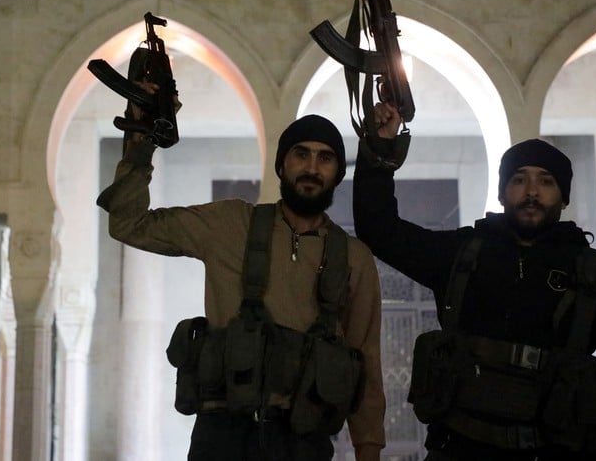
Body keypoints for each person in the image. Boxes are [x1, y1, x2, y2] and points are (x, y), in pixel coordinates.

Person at [352, 102, 596, 460]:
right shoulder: (462, 254)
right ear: (502, 191)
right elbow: (379, 229)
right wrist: (379, 150)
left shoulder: (592, 273)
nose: (532, 192)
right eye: (519, 179)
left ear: (563, 196)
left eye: (546, 181)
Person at [98, 110, 385, 461]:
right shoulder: (230, 224)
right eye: (301, 154)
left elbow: (366, 362)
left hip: (302, 441)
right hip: (222, 436)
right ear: (281, 166)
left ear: (338, 174)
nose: (311, 168)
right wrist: (143, 137)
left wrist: (368, 449)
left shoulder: (354, 259)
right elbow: (129, 223)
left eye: (325, 158)